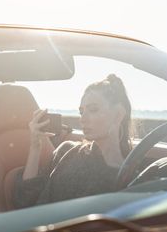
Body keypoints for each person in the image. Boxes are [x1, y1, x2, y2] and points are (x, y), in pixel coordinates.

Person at [13, 74, 132, 208]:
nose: (82, 119)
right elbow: (25, 201)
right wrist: (35, 146)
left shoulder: (127, 178)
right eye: (81, 112)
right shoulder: (67, 150)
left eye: (93, 109)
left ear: (118, 114)